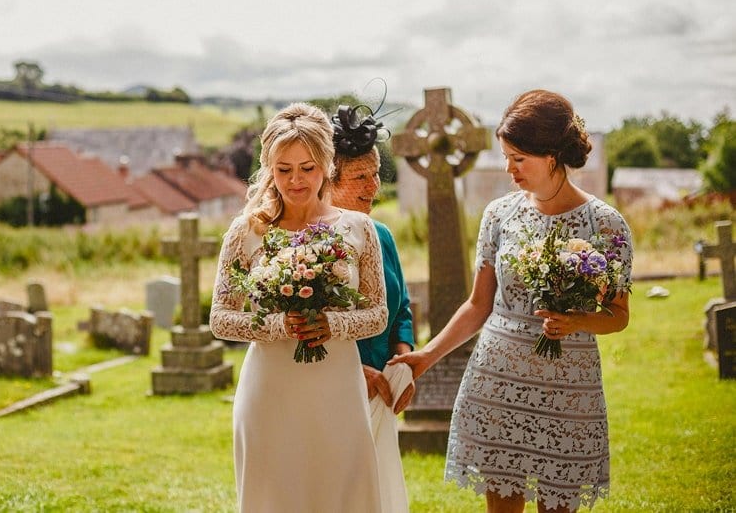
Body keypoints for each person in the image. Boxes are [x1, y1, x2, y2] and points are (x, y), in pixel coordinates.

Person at [389, 89, 633, 513]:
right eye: (506, 157)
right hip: (497, 380)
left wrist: (576, 321)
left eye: (519, 159)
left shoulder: (606, 224)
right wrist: (425, 356)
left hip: (568, 387)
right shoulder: (499, 214)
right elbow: (477, 305)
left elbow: (618, 315)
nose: (509, 170)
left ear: (553, 154)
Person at [210, 102, 389, 513]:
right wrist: (279, 325)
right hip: (270, 390)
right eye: (284, 169)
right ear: (269, 168)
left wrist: (332, 324)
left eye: (307, 168)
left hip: (337, 389)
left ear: (326, 164)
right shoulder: (247, 230)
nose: (296, 180)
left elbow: (377, 313)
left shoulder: (359, 228)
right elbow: (220, 317)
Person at [330, 104, 416, 512]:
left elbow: (402, 310)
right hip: (330, 398)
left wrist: (403, 360)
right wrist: (351, 373)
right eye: (359, 176)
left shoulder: (381, 235)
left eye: (376, 173)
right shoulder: (308, 242)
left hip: (383, 395)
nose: (373, 187)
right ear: (328, 181)